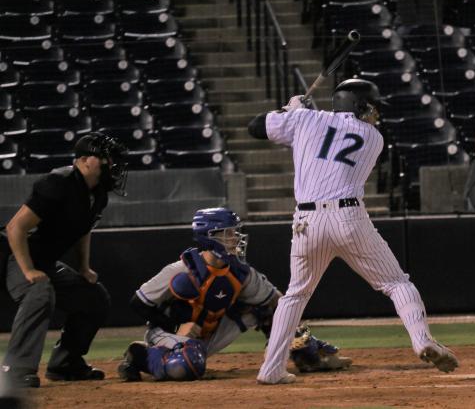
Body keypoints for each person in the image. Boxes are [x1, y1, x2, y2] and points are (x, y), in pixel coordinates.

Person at [248, 79, 459, 385]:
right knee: (396, 283)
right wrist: (298, 114)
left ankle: (270, 370)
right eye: (371, 108)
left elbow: (255, 127)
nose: (375, 115)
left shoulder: (307, 119)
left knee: (294, 295)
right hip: (349, 218)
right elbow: (329, 133)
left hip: (307, 222)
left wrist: (290, 110)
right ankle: (422, 340)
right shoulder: (374, 137)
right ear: (359, 106)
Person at [117, 207, 351, 382]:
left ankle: (309, 358)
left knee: (268, 309)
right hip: (167, 334)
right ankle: (139, 355)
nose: (235, 239)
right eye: (228, 233)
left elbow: (277, 303)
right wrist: (175, 325)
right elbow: (138, 303)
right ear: (209, 236)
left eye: (235, 232)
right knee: (185, 366)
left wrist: (302, 338)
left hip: (207, 336)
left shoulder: (240, 273)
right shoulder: (180, 270)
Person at [0, 132, 128, 388]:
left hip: (43, 262)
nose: (110, 164)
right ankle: (15, 369)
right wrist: (27, 270)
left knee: (94, 297)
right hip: (14, 257)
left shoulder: (97, 194)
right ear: (83, 160)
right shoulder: (59, 182)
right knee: (39, 290)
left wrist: (83, 268)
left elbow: (83, 230)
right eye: (105, 158)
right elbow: (15, 228)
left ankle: (65, 363)